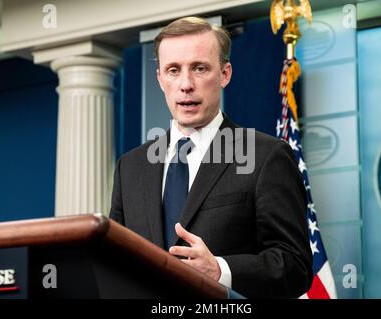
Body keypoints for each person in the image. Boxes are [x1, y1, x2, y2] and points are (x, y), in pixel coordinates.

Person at [110, 16, 312, 298]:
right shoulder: (130, 168)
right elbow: (113, 265)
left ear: (225, 74)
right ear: (159, 79)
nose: (186, 84)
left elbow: (296, 267)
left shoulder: (266, 156)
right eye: (173, 70)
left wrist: (220, 270)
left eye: (199, 68)